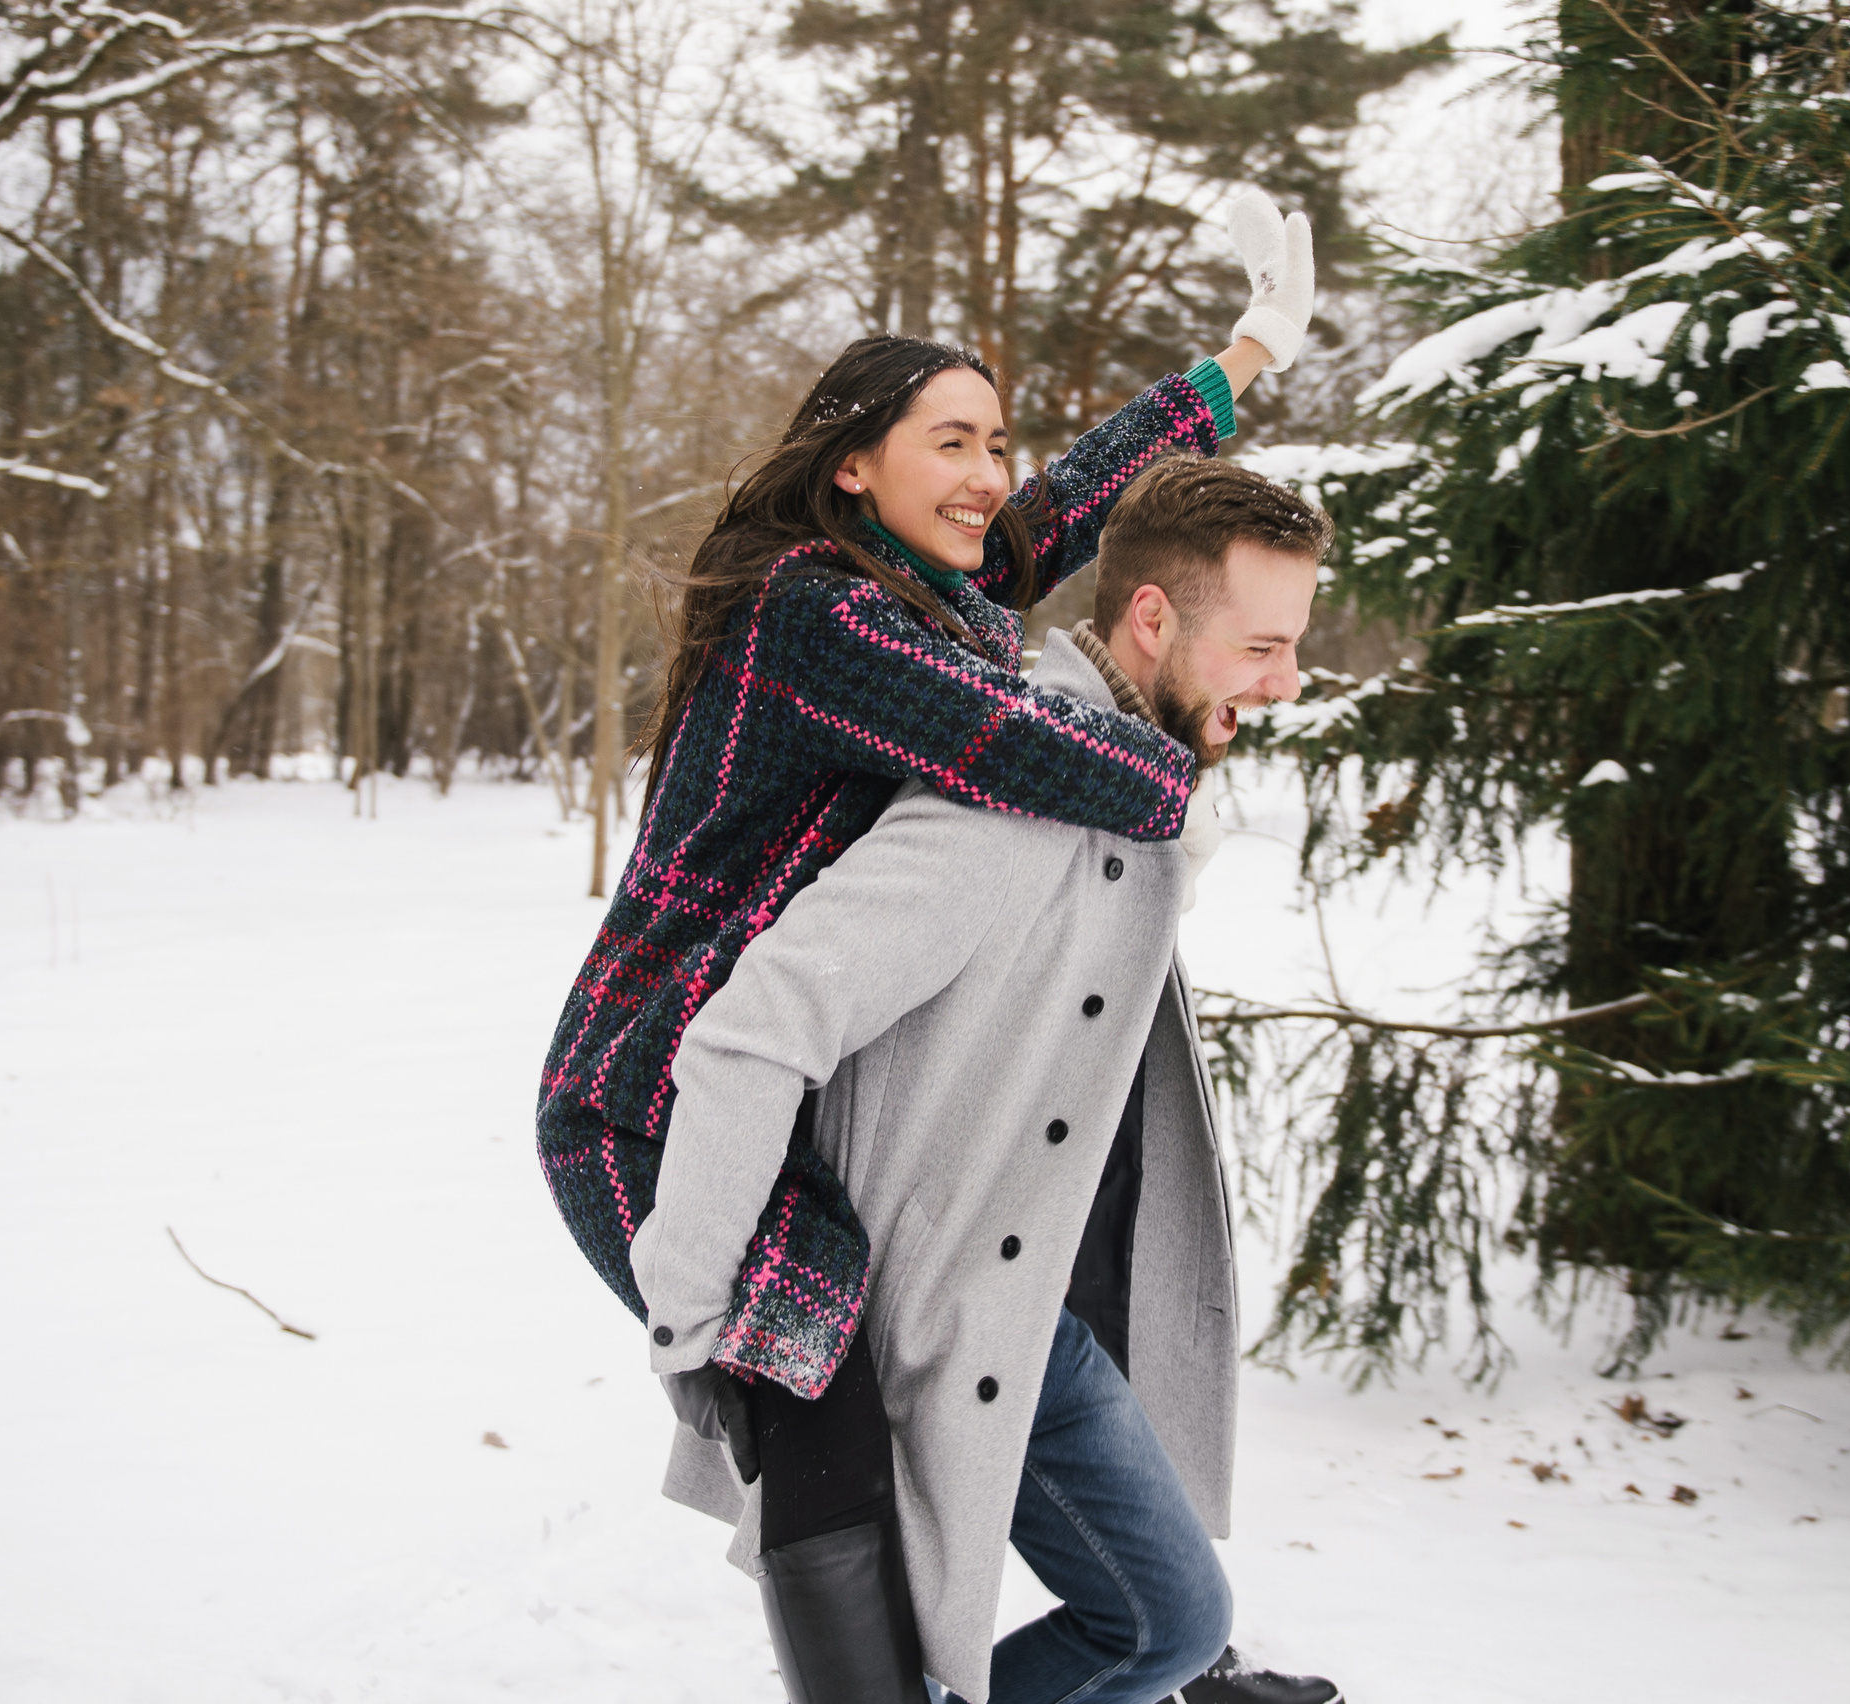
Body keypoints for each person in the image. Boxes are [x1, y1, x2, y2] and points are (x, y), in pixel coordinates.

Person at [534, 191, 1328, 1699]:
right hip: (651, 1108)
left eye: (993, 441)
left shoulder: (923, 597)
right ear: (852, 463)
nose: (988, 476)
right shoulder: (814, 614)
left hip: (779, 1110)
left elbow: (1077, 502)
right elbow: (1016, 738)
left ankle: (1170, 1640)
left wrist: (1240, 361)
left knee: (946, 1379)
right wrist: (1177, 783)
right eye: (948, 442)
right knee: (834, 1484)